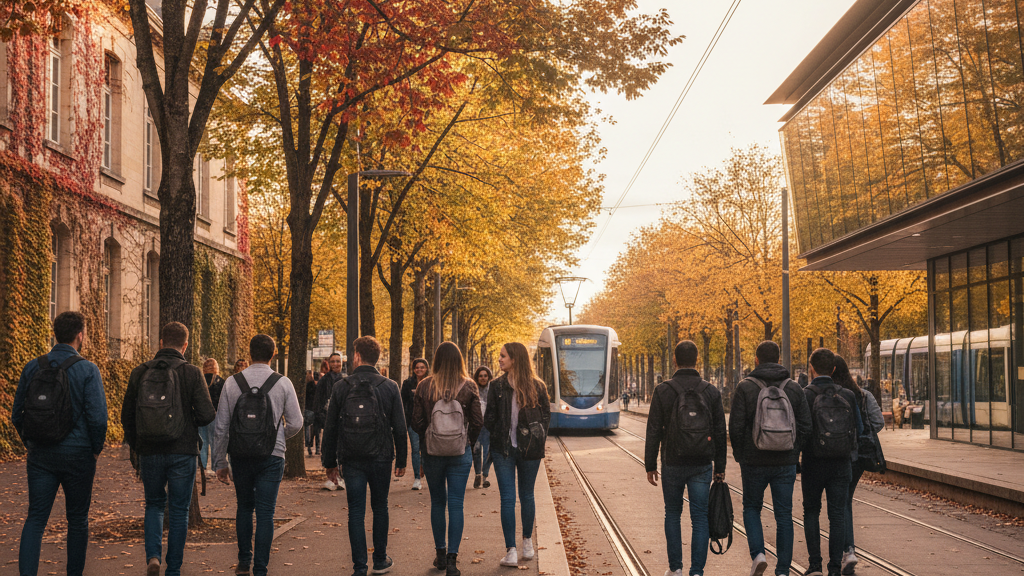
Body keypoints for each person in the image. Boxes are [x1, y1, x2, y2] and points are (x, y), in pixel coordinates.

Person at [12, 311, 107, 576]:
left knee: (35, 519)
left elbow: (17, 413)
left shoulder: (33, 367)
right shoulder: (88, 369)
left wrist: (31, 442)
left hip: (41, 455)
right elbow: (98, 418)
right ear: (80, 335)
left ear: (55, 334)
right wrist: (95, 449)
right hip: (78, 456)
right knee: (77, 520)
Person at [121, 322, 216, 576]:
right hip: (182, 452)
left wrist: (137, 445)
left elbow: (126, 416)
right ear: (185, 345)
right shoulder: (192, 373)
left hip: (149, 450)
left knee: (153, 505)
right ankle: (173, 568)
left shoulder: (140, 372)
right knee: (179, 510)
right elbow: (207, 415)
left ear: (161, 342)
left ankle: (153, 556)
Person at [212, 334, 303, 576]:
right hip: (272, 456)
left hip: (240, 454)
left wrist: (220, 462)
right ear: (273, 355)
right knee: (266, 512)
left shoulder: (232, 383)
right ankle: (260, 568)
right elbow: (296, 422)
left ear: (250, 353)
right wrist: (278, 436)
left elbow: (221, 425)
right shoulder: (283, 383)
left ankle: (243, 561)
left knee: (244, 508)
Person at [321, 336, 408, 576]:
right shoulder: (390, 386)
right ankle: (380, 560)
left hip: (351, 458)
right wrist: (401, 460)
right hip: (381, 456)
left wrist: (330, 463)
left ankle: (359, 566)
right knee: (380, 507)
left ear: (357, 356)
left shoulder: (342, 386)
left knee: (356, 511)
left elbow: (330, 428)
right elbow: (400, 427)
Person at [729, 341, 812, 576]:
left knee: (752, 507)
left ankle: (758, 555)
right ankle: (784, 569)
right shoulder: (793, 388)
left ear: (756, 360)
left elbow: (735, 427)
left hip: (753, 461)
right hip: (785, 461)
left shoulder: (745, 387)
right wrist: (793, 452)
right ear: (779, 359)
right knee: (784, 514)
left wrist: (740, 454)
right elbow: (806, 426)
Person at [645, 340, 726, 576]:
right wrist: (720, 466)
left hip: (672, 461)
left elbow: (653, 429)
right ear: (697, 359)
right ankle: (697, 571)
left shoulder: (663, 390)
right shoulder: (711, 391)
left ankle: (676, 569)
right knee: (700, 517)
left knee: (672, 512)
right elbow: (720, 431)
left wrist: (650, 464)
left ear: (674, 360)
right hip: (702, 464)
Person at [412, 342, 483, 576]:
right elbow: (477, 421)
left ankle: (440, 554)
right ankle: (453, 561)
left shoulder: (424, 386)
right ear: (459, 360)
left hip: (432, 454)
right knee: (456, 504)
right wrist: (466, 441)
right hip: (460, 453)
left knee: (437, 503)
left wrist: (428, 441)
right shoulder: (469, 386)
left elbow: (416, 422)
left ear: (437, 360)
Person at [485, 344, 550, 567]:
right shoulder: (497, 385)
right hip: (503, 450)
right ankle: (511, 550)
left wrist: (536, 441)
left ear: (515, 359)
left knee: (526, 495)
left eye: (503, 356)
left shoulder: (537, 386)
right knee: (508, 498)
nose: (500, 359)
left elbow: (545, 418)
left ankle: (526, 542)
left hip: (528, 450)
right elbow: (489, 418)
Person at [800, 348, 862, 576]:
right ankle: (835, 567)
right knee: (837, 514)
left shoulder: (805, 394)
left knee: (811, 511)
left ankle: (815, 565)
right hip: (841, 464)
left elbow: (802, 431)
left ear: (811, 368)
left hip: (813, 463)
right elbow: (859, 429)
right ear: (834, 369)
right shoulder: (848, 395)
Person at [832, 356, 883, 575]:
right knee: (845, 501)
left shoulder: (832, 395)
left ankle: (848, 550)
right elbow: (878, 422)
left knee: (841, 503)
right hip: (860, 457)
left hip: (837, 455)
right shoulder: (863, 394)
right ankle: (847, 550)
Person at [401, 358, 429, 490]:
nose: (419, 369)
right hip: (413, 422)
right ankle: (417, 478)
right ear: (413, 369)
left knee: (427, 449)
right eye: (417, 367)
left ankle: (427, 473)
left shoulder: (431, 383)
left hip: (428, 422)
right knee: (415, 449)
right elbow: (403, 402)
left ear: (426, 369)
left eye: (422, 367)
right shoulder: (408, 383)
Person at [200, 358, 225, 471]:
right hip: (216, 416)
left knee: (203, 443)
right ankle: (215, 467)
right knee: (215, 443)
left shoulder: (200, 381)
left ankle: (202, 466)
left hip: (202, 416)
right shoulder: (221, 382)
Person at [472, 365, 494, 489]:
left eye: (485, 376)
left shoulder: (492, 389)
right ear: (477, 377)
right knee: (476, 451)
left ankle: (485, 474)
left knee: (488, 452)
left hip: (489, 425)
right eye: (481, 376)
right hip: (476, 425)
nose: (483, 378)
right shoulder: (473, 389)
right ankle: (478, 474)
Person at [304, 366, 322, 456]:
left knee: (307, 428)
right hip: (316, 410)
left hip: (308, 409)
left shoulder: (307, 385)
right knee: (317, 430)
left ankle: (309, 447)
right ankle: (317, 448)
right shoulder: (319, 386)